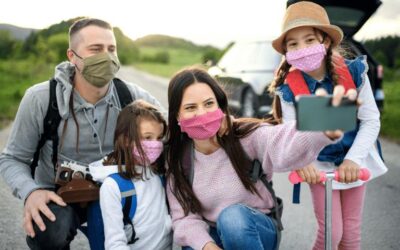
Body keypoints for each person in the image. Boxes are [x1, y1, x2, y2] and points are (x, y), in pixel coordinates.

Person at [0, 18, 164, 249]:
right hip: (59, 194)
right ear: (72, 56)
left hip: (116, 189)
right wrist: (32, 192)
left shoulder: (130, 96)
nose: (106, 56)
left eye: (111, 49)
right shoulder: (40, 99)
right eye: (96, 49)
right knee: (50, 231)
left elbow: (171, 128)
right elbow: (11, 159)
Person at [165, 67, 350, 250]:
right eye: (190, 107)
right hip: (211, 234)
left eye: (208, 104)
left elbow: (279, 139)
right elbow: (184, 218)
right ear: (177, 116)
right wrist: (207, 247)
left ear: (220, 107)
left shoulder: (245, 136)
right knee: (192, 246)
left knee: (232, 219)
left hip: (254, 228)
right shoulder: (178, 160)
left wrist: (319, 131)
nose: (202, 114)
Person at [268, 2, 387, 250]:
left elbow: (370, 120)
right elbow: (293, 133)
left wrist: (354, 159)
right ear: (286, 51)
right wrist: (304, 163)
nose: (302, 48)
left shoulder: (355, 73)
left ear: (325, 41)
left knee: (351, 236)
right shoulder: (288, 88)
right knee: (330, 235)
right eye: (293, 44)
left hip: (355, 159)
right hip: (318, 164)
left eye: (309, 40)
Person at [88, 100, 172, 250]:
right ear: (126, 140)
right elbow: (115, 244)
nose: (156, 144)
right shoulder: (113, 186)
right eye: (147, 137)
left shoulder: (158, 173)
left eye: (159, 138)